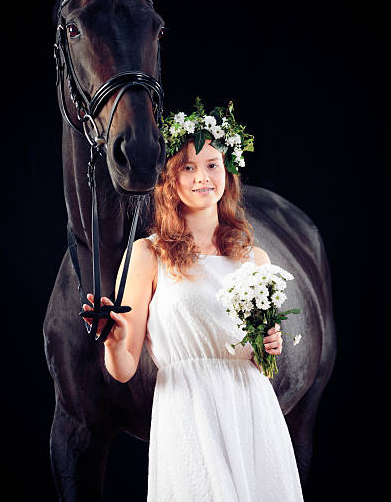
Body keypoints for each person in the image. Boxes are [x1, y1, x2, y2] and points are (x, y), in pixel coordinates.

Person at [83, 99, 304, 501]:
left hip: (251, 413)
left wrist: (268, 346)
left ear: (228, 172)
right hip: (188, 411)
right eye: (188, 166)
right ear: (170, 178)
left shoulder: (255, 260)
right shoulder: (148, 254)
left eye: (212, 165)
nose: (202, 177)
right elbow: (123, 368)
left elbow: (262, 365)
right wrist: (114, 341)